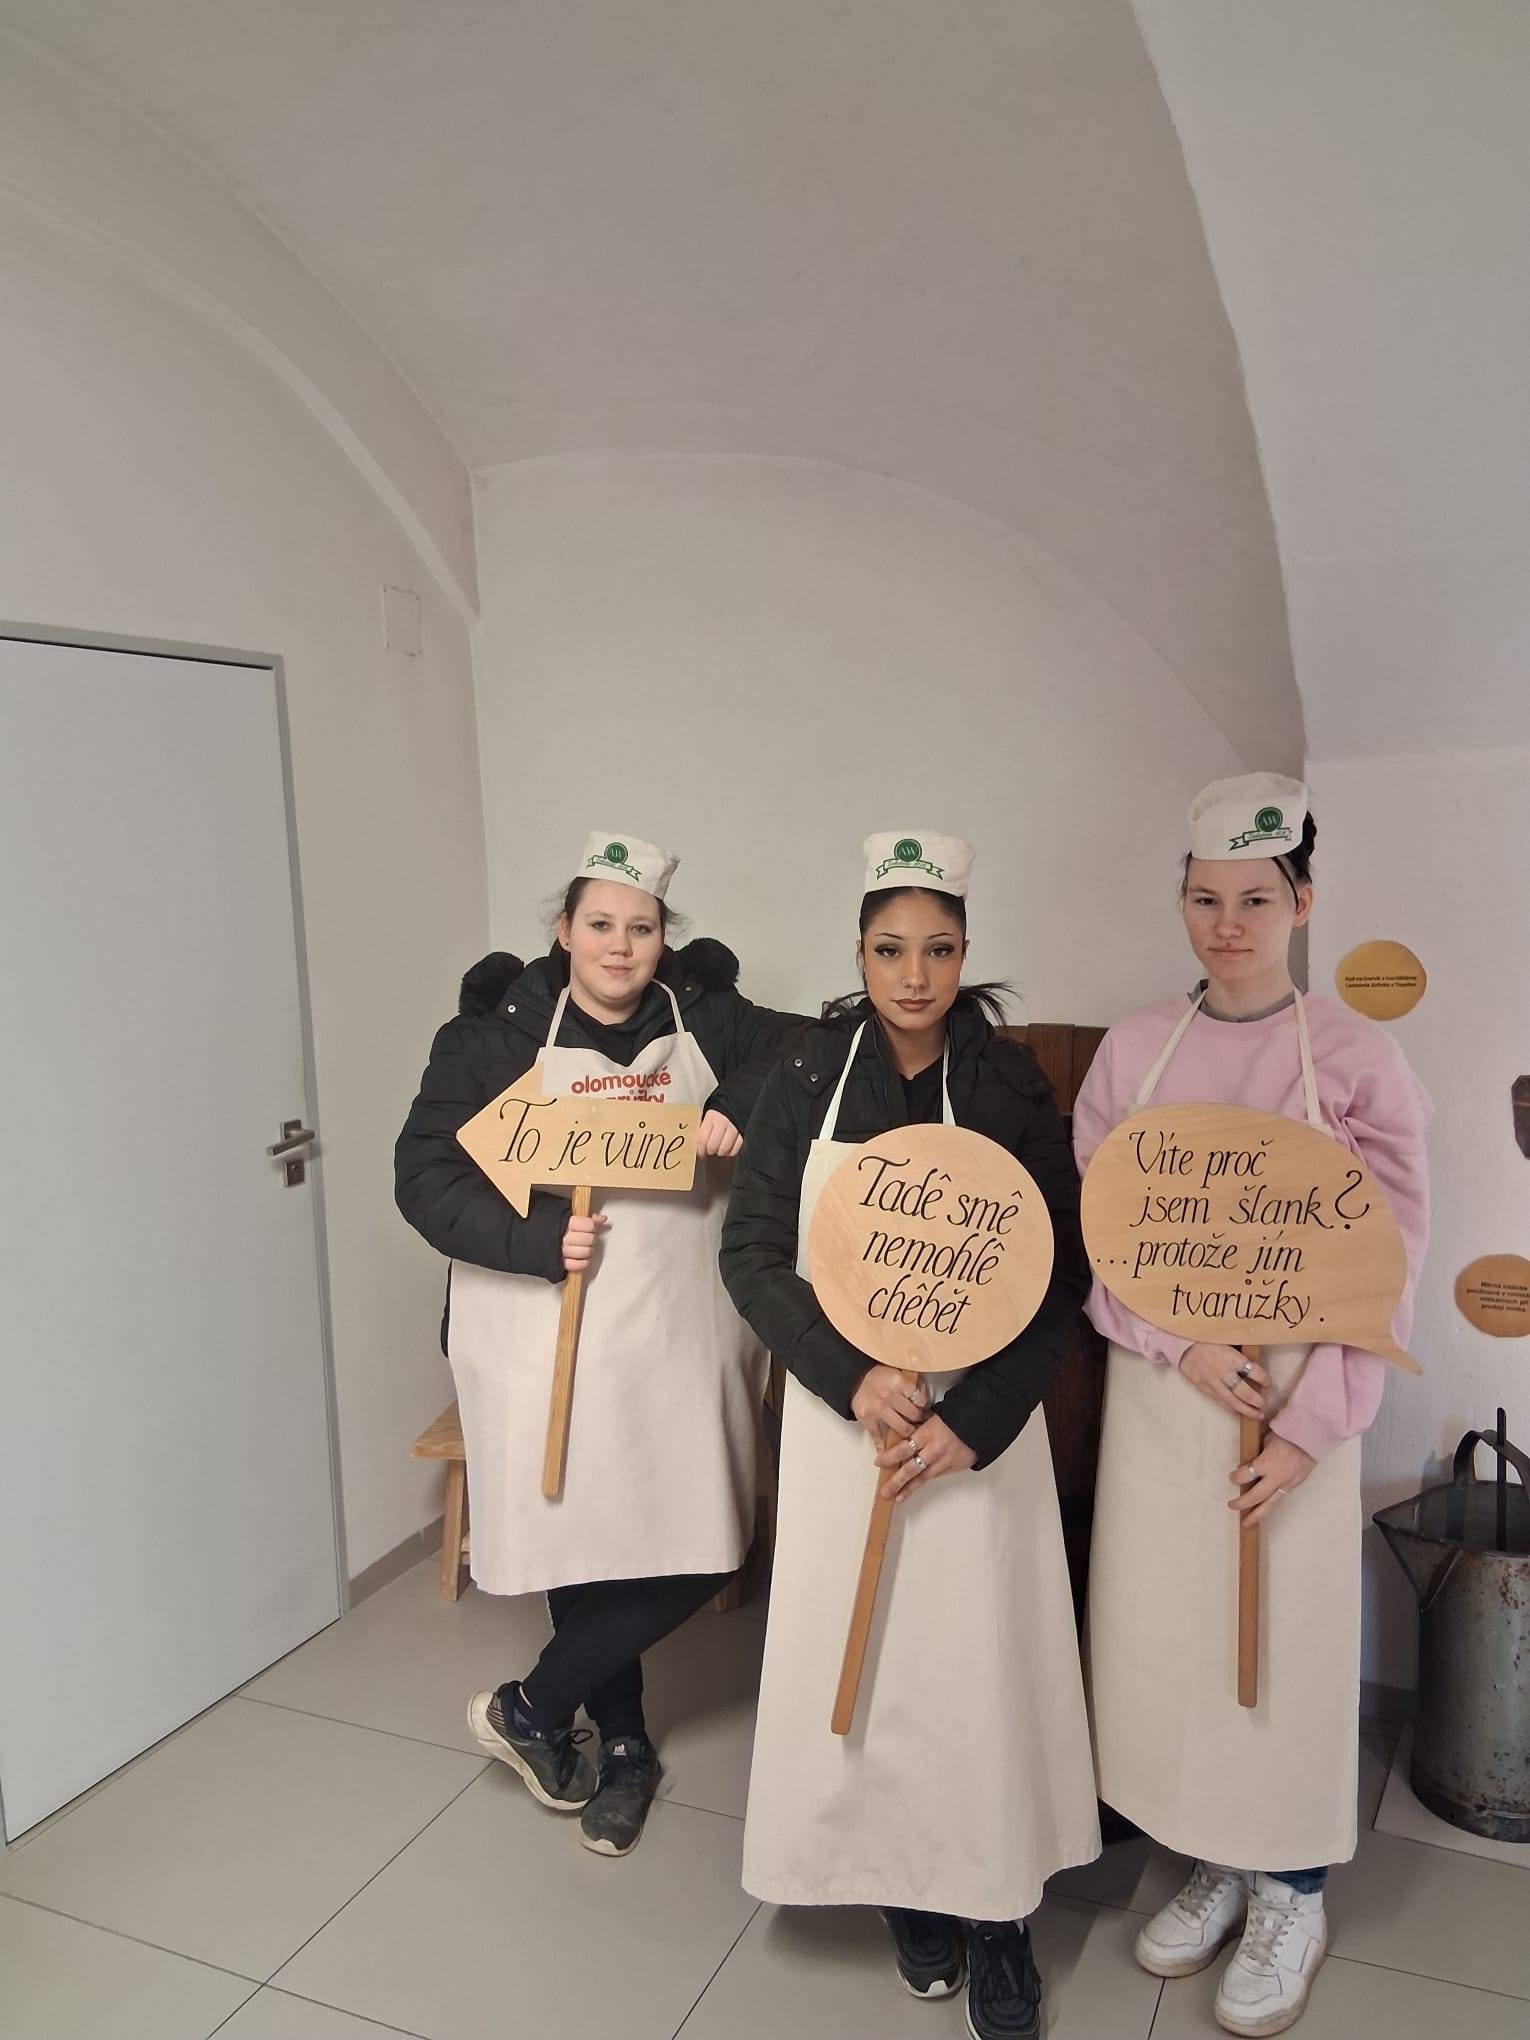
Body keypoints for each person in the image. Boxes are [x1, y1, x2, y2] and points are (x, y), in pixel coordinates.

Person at [721, 832, 1099, 2040]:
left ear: (966, 953)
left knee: (973, 1673)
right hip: (851, 1429)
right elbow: (752, 1253)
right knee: (870, 1667)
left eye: (938, 949)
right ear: (859, 954)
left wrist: (975, 1423)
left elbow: (1061, 1271)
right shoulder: (804, 1078)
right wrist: (852, 1378)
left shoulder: (1010, 1085)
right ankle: (899, 1882)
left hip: (974, 1439)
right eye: (891, 950)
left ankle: (999, 1908)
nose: (915, 974)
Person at [1072, 775, 1431, 2037]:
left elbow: (1392, 1259)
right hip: (1167, 1398)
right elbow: (1101, 1231)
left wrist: (1309, 1426)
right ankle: (1218, 1853)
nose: (1228, 926)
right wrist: (1175, 1342)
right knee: (1176, 1639)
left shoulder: (1357, 1058)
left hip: (1297, 1400)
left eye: (1257, 902)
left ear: (1303, 904)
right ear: (1181, 901)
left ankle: (1294, 1890)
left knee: (1284, 1646)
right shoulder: (1135, 1050)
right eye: (1206, 900)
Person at [395, 831, 800, 1858]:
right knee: (577, 1538)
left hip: (674, 1328)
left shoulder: (707, 1018)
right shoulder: (492, 1036)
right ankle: (623, 1747)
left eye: (642, 928)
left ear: (665, 939)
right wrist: (536, 1241)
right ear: (564, 930)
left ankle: (533, 1707)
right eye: (601, 925)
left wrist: (737, 1102)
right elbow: (425, 1175)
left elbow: (808, 1053)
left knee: (704, 1535)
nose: (621, 947)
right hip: (542, 1331)